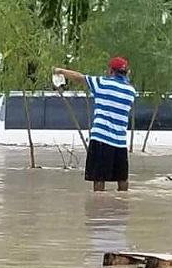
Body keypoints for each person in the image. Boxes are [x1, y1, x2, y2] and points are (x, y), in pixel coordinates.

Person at [54, 57, 137, 191]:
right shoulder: (131, 91)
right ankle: (123, 202)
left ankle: (98, 204)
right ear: (126, 72)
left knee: (99, 178)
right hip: (120, 143)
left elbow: (79, 77)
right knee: (122, 179)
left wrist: (60, 71)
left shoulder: (101, 83)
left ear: (111, 71)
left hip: (101, 139)